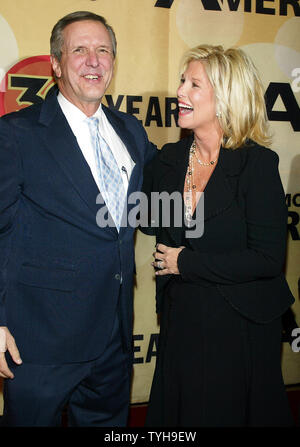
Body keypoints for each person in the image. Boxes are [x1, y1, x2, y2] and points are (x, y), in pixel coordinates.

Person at [0, 11, 156, 426]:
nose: (93, 60)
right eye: (80, 50)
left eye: (103, 50)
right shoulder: (16, 133)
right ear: (56, 63)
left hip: (114, 340)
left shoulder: (131, 131)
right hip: (39, 343)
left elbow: (162, 203)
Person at [141, 45, 295, 426]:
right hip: (183, 321)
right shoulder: (169, 159)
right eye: (182, 81)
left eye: (194, 84)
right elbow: (147, 218)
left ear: (225, 97)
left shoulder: (256, 164)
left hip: (238, 325)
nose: (180, 92)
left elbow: (267, 259)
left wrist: (186, 262)